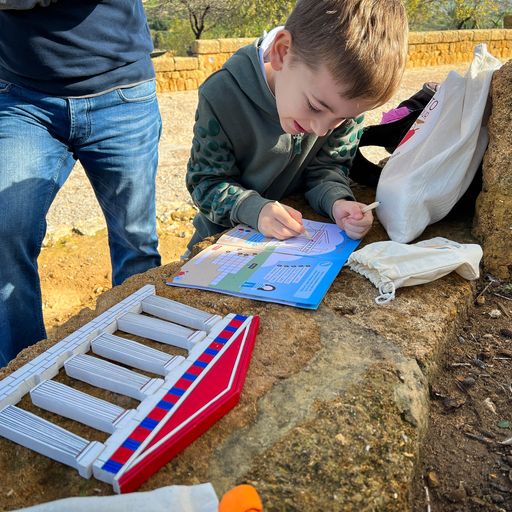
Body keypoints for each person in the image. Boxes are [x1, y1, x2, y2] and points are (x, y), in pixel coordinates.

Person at [0, 0, 162, 366]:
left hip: (122, 90)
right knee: (4, 231)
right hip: (23, 97)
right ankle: (20, 375)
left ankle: (144, 362)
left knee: (135, 241)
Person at [185, 0, 408, 254]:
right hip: (220, 245)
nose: (322, 129)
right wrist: (254, 209)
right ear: (282, 52)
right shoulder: (222, 96)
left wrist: (337, 200)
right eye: (314, 106)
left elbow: (327, 168)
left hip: (291, 247)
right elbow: (205, 183)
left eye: (341, 119)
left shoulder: (342, 108)